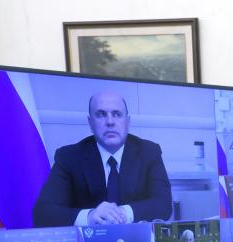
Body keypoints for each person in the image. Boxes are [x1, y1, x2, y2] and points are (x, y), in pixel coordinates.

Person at [33, 90, 173, 227]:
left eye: (117, 114)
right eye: (101, 114)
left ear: (127, 121)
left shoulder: (149, 152)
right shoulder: (69, 157)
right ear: (90, 122)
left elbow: (164, 204)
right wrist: (89, 216)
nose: (110, 122)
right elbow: (43, 213)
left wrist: (123, 213)